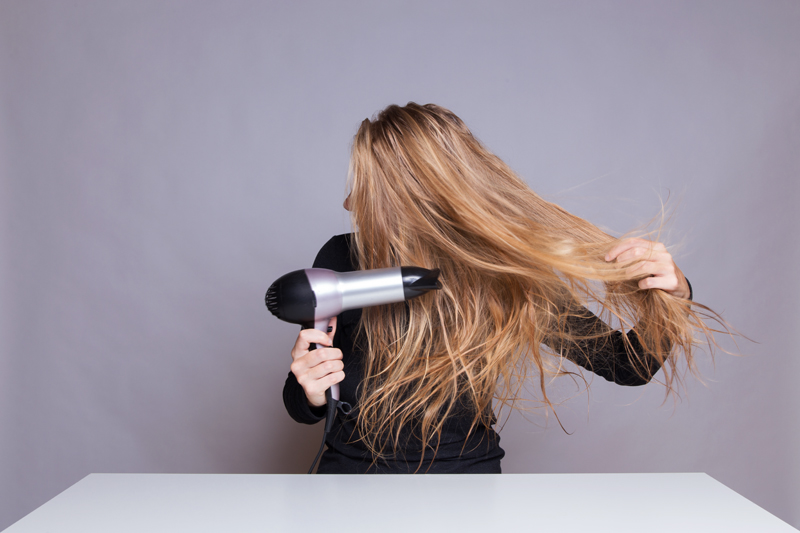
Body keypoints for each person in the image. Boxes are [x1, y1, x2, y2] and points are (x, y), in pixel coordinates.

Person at [282, 103, 711, 474]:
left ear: (406, 196)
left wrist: (673, 299)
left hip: (466, 487)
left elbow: (628, 367)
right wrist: (310, 391)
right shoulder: (339, 261)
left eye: (365, 189)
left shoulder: (503, 274)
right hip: (349, 482)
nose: (347, 203)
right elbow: (299, 406)